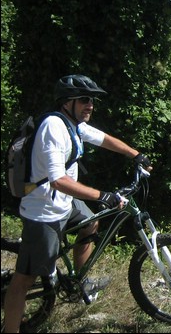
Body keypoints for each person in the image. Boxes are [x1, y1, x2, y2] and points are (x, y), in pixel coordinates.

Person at [3, 74, 152, 333]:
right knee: (24, 280)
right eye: (84, 100)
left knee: (89, 224)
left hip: (65, 203)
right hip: (43, 212)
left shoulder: (74, 124)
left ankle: (82, 282)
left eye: (92, 100)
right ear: (66, 102)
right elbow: (57, 180)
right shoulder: (53, 127)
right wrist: (102, 195)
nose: (90, 105)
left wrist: (135, 154)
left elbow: (103, 138)